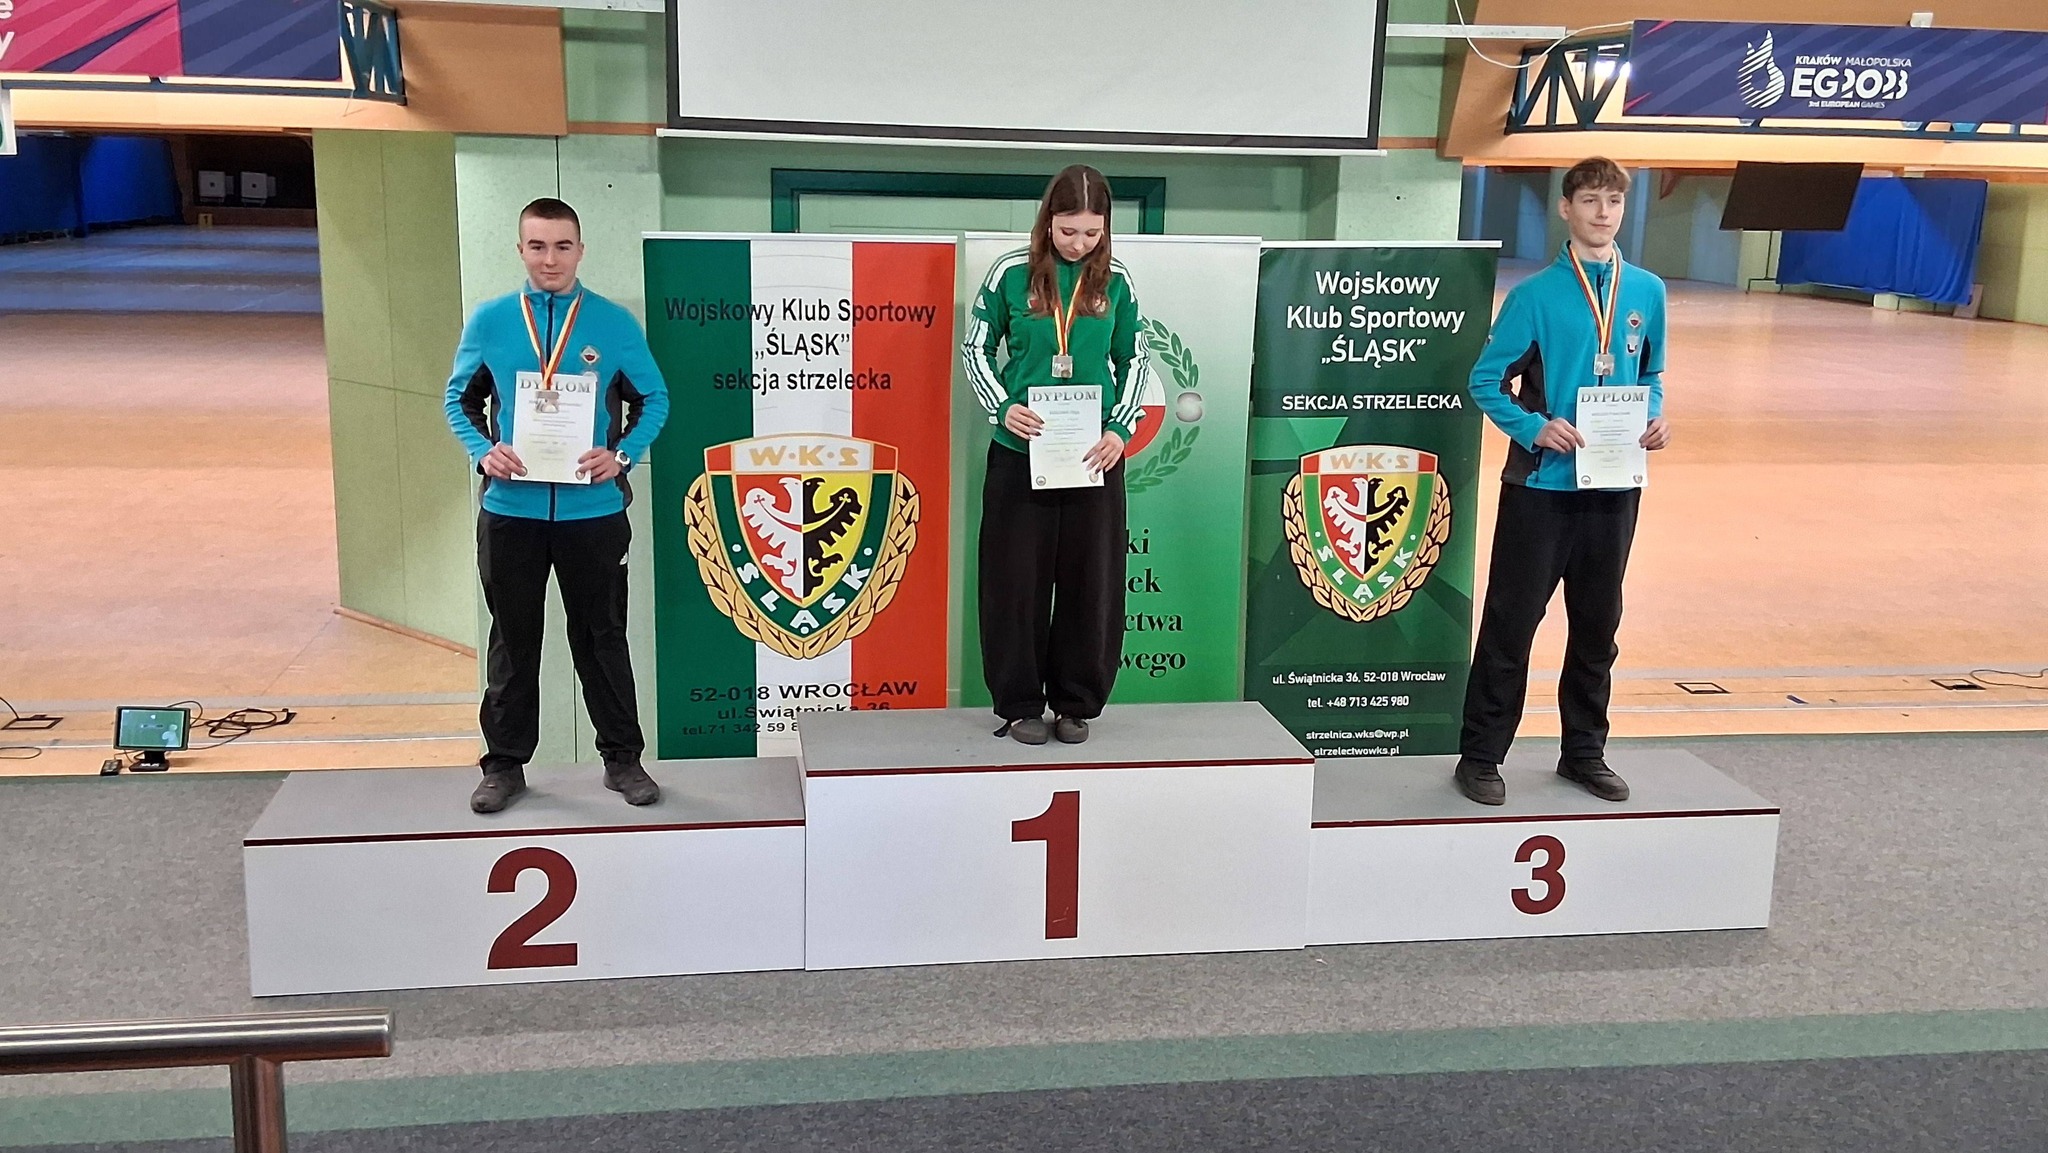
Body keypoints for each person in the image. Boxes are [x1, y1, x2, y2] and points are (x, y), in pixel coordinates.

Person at [443, 197, 671, 813]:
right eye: (538, 246)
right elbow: (458, 400)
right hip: (511, 513)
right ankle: (504, 765)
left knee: (602, 637)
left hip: (592, 516)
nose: (550, 258)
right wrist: (483, 451)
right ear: (520, 250)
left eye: (562, 246)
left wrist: (622, 456)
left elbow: (654, 399)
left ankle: (622, 760)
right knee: (513, 641)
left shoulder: (613, 323)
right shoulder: (491, 321)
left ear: (580, 250)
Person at [1455, 157, 1671, 806]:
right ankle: (1481, 756)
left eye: (1614, 201)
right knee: (1511, 625)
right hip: (1541, 491)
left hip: (1614, 489)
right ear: (1566, 208)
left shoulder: (1647, 292)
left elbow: (1650, 373)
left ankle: (1584, 753)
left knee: (1598, 628)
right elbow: (1485, 381)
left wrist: (1655, 417)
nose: (1604, 213)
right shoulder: (1534, 297)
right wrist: (1533, 427)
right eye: (1591, 200)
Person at [964, 165, 1149, 745]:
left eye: (1092, 233)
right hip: (1021, 453)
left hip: (1093, 455)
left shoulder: (1116, 281)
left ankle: (1076, 703)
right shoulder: (1009, 273)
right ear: (1048, 222)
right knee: (1015, 582)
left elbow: (1136, 359)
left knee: (1090, 583)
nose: (1079, 244)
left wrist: (1120, 429)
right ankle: (1019, 703)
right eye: (1068, 231)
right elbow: (975, 348)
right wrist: (1002, 407)